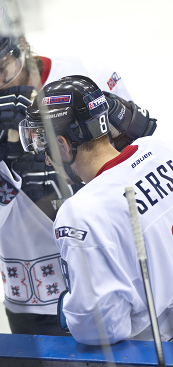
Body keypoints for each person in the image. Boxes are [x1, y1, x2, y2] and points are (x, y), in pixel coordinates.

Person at [0, 3, 157, 335]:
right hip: (36, 288)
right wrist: (0, 158)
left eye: (1, 69)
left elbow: (135, 158)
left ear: (21, 46)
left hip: (117, 263)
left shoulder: (85, 75)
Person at [20, 74, 173, 344]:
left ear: (62, 145)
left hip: (151, 350)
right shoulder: (159, 150)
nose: (46, 158)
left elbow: (100, 328)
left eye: (45, 144)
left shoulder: (81, 212)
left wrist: (69, 307)